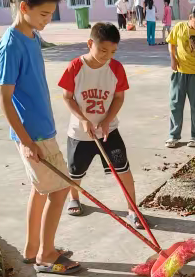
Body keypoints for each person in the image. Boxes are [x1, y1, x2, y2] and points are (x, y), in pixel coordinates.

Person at [0, 0, 81, 274]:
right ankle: (46, 255)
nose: (47, 20)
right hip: (34, 135)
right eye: (43, 14)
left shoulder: (31, 36)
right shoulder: (11, 45)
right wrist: (27, 142)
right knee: (59, 190)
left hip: (42, 129)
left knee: (41, 190)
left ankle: (33, 249)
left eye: (51, 14)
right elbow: (5, 99)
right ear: (23, 8)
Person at [58, 22, 145, 229]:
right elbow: (67, 97)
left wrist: (106, 121)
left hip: (109, 131)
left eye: (113, 51)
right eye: (103, 50)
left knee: (123, 170)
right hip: (80, 133)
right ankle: (75, 198)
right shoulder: (75, 67)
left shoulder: (116, 68)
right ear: (90, 43)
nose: (107, 56)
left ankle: (132, 209)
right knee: (75, 173)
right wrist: (83, 119)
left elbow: (118, 98)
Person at [165, 3, 195, 148]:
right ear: (191, 17)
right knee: (175, 104)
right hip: (180, 72)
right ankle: (173, 135)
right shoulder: (179, 27)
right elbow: (171, 43)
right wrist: (173, 58)